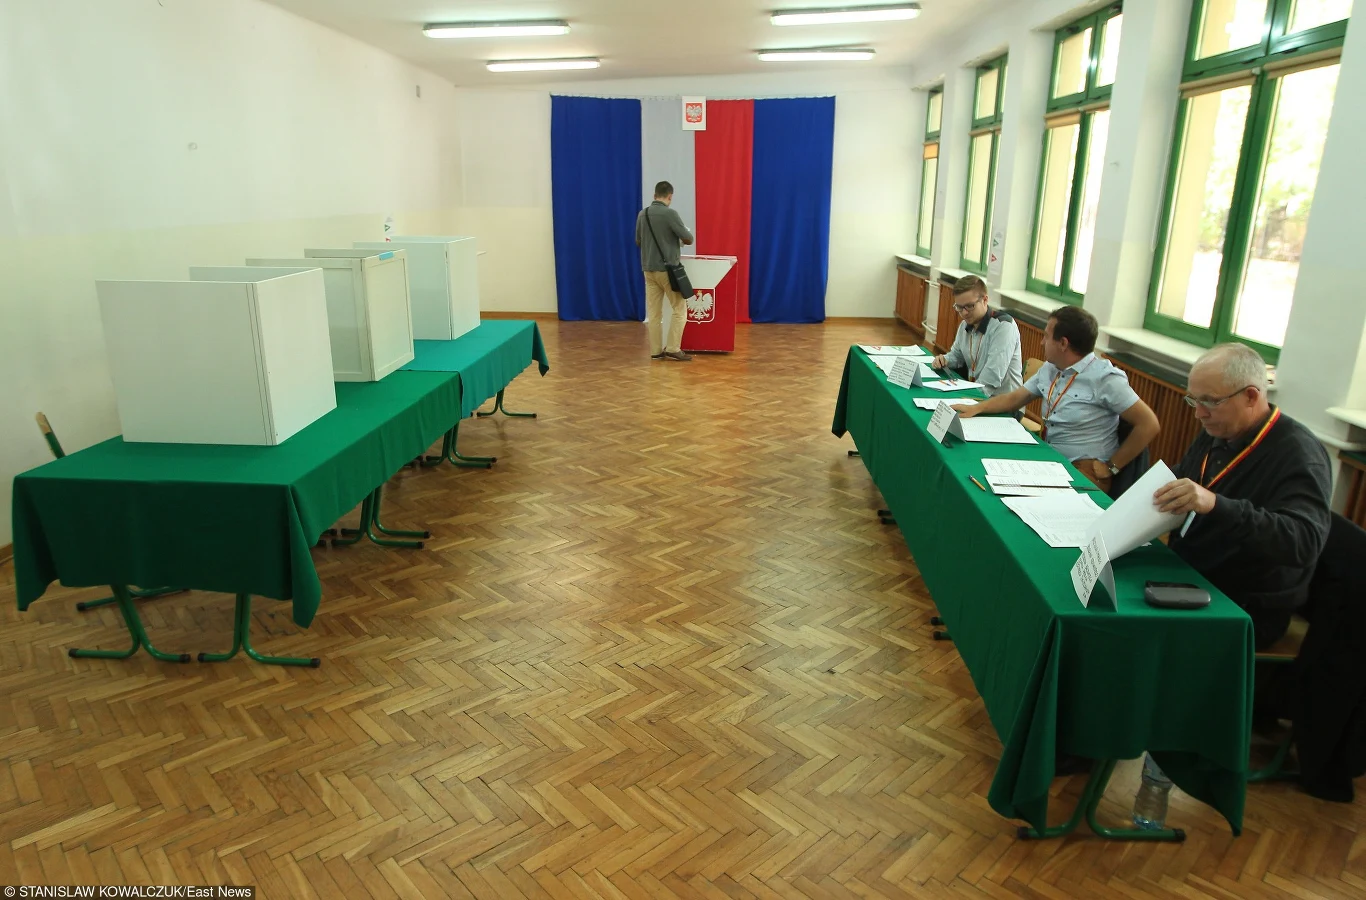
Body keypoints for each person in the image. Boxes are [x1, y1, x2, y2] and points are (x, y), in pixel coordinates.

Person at [1153, 343, 1331, 650]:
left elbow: (1303, 542)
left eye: (1210, 401)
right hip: (1192, 569)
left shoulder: (1299, 454)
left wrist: (1215, 504)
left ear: (1250, 396)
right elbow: (1187, 475)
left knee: (1138, 634)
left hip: (1246, 603)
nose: (1198, 413)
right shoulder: (1219, 428)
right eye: (1193, 400)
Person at [951, 305, 1160, 492]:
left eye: (1046, 336)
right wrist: (977, 408)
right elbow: (1014, 399)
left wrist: (1112, 466)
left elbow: (1149, 424)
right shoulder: (1051, 368)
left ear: (1063, 343)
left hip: (1084, 469)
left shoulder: (1105, 379)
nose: (1042, 341)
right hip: (1052, 458)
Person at [931, 276, 1023, 397]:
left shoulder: (1003, 327)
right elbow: (957, 355)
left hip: (1004, 401)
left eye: (970, 306)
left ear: (985, 300)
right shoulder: (965, 325)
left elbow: (992, 377)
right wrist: (945, 360)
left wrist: (967, 398)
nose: (964, 313)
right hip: (978, 392)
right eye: (959, 307)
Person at [635, 181, 695, 362]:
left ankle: (655, 351)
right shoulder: (670, 214)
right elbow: (689, 238)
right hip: (667, 270)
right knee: (679, 309)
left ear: (654, 196)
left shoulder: (642, 214)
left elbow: (638, 241)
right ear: (670, 196)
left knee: (654, 313)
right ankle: (673, 348)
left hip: (648, 269)